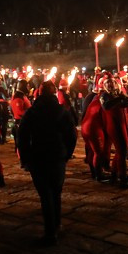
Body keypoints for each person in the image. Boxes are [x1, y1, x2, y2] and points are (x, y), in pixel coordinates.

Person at [16, 81, 77, 245]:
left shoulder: (32, 112)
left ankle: (50, 233)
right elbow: (72, 135)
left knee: (45, 195)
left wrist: (25, 158)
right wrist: (67, 153)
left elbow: (22, 137)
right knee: (56, 192)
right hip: (57, 156)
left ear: (39, 94)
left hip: (39, 156)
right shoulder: (62, 111)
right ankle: (56, 224)